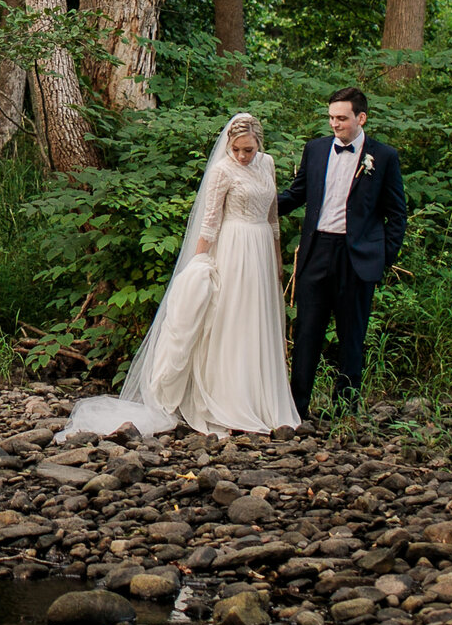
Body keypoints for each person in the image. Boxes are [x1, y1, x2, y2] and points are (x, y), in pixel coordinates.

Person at [60, 111, 301, 438]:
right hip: (232, 249)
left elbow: (273, 217)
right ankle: (228, 401)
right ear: (228, 145)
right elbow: (210, 223)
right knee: (231, 322)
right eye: (237, 150)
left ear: (260, 144)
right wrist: (198, 265)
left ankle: (262, 402)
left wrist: (277, 259)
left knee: (258, 322)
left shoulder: (268, 164)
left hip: (260, 250)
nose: (243, 156)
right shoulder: (222, 171)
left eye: (249, 150)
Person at [277, 86, 406, 418]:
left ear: (361, 118)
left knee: (351, 335)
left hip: (357, 257)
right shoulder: (316, 150)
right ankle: (298, 409)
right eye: (331, 117)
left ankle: (345, 412)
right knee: (307, 332)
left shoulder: (384, 156)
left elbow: (397, 214)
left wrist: (383, 256)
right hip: (317, 251)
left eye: (342, 118)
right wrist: (250, 205)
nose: (335, 124)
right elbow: (297, 194)